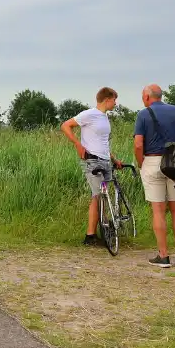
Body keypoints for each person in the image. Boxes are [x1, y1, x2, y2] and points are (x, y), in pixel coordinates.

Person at [134, 84, 175, 268]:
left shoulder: (143, 114)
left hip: (153, 161)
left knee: (158, 210)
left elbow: (139, 144)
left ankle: (163, 256)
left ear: (147, 97)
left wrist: (141, 163)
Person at [60, 87, 122, 246]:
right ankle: (92, 234)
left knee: (102, 196)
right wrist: (78, 145)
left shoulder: (104, 117)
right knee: (98, 195)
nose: (115, 103)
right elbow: (66, 125)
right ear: (107, 99)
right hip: (92, 161)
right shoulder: (89, 114)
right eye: (114, 99)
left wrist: (113, 159)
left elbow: (102, 142)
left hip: (105, 160)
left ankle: (97, 232)